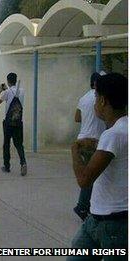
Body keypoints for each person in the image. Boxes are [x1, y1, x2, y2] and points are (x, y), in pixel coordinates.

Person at [68, 73, 127, 260]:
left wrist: (74, 149)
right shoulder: (120, 129)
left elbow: (84, 180)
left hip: (113, 225)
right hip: (97, 219)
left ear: (102, 101)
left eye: (95, 98)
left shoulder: (113, 135)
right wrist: (96, 143)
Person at [73, 72, 107, 221]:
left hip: (83, 139)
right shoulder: (101, 99)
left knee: (91, 174)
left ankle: (85, 206)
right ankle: (82, 206)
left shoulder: (83, 98)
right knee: (92, 176)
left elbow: (77, 118)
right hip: (95, 141)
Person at [0, 72, 27, 176]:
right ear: (16, 79)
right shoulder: (21, 91)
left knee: (6, 144)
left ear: (8, 81)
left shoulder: (7, 92)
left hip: (8, 123)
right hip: (18, 122)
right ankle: (23, 162)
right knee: (19, 144)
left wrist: (0, 90)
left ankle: (7, 166)